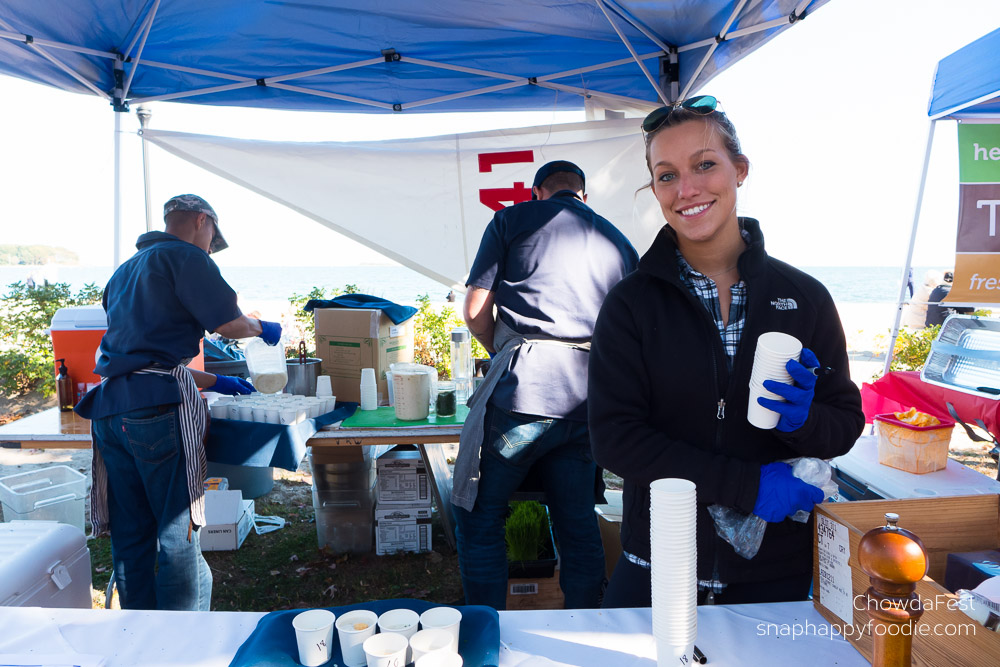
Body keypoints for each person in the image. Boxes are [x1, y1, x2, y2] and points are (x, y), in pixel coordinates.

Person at [587, 97, 865, 608]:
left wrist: (801, 423)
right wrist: (746, 485)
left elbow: (846, 423)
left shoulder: (804, 297)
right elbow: (614, 439)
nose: (686, 189)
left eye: (705, 165)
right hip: (657, 562)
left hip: (773, 572)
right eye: (666, 175)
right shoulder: (631, 302)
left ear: (739, 170)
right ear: (654, 189)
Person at [75, 194, 283, 611]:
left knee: (131, 532)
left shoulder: (123, 272)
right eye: (211, 240)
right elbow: (227, 323)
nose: (209, 248)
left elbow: (143, 359)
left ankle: (137, 634)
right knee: (178, 532)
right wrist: (262, 327)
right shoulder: (187, 257)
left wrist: (219, 379)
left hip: (111, 409)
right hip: (155, 412)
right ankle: (184, 640)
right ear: (202, 221)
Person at [452, 160, 639, 610]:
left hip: (523, 390)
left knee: (479, 517)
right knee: (576, 523)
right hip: (586, 401)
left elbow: (476, 310)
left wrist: (501, 349)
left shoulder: (511, 219)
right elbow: (631, 332)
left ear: (538, 192)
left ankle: (488, 627)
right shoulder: (619, 242)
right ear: (583, 197)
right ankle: (583, 628)